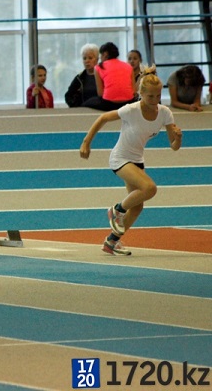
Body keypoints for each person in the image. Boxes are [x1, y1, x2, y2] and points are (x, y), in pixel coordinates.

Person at [79, 67, 182, 256]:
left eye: (158, 95)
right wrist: (86, 142)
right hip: (120, 158)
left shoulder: (165, 113)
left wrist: (178, 138)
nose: (155, 100)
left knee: (137, 206)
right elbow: (103, 118)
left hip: (137, 160)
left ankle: (111, 241)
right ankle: (116, 210)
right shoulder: (131, 110)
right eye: (150, 96)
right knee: (150, 188)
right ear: (141, 93)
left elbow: (173, 146)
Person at [82, 42, 136, 111]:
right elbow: (133, 90)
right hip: (128, 102)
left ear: (105, 54)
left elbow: (100, 93)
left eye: (101, 55)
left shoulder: (98, 67)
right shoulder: (128, 66)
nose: (100, 58)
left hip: (109, 103)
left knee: (86, 103)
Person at [65, 43, 99, 107]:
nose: (87, 61)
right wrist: (77, 106)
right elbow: (68, 96)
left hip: (101, 110)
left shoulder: (103, 76)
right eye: (84, 58)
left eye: (90, 58)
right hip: (83, 110)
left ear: (97, 59)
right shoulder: (79, 78)